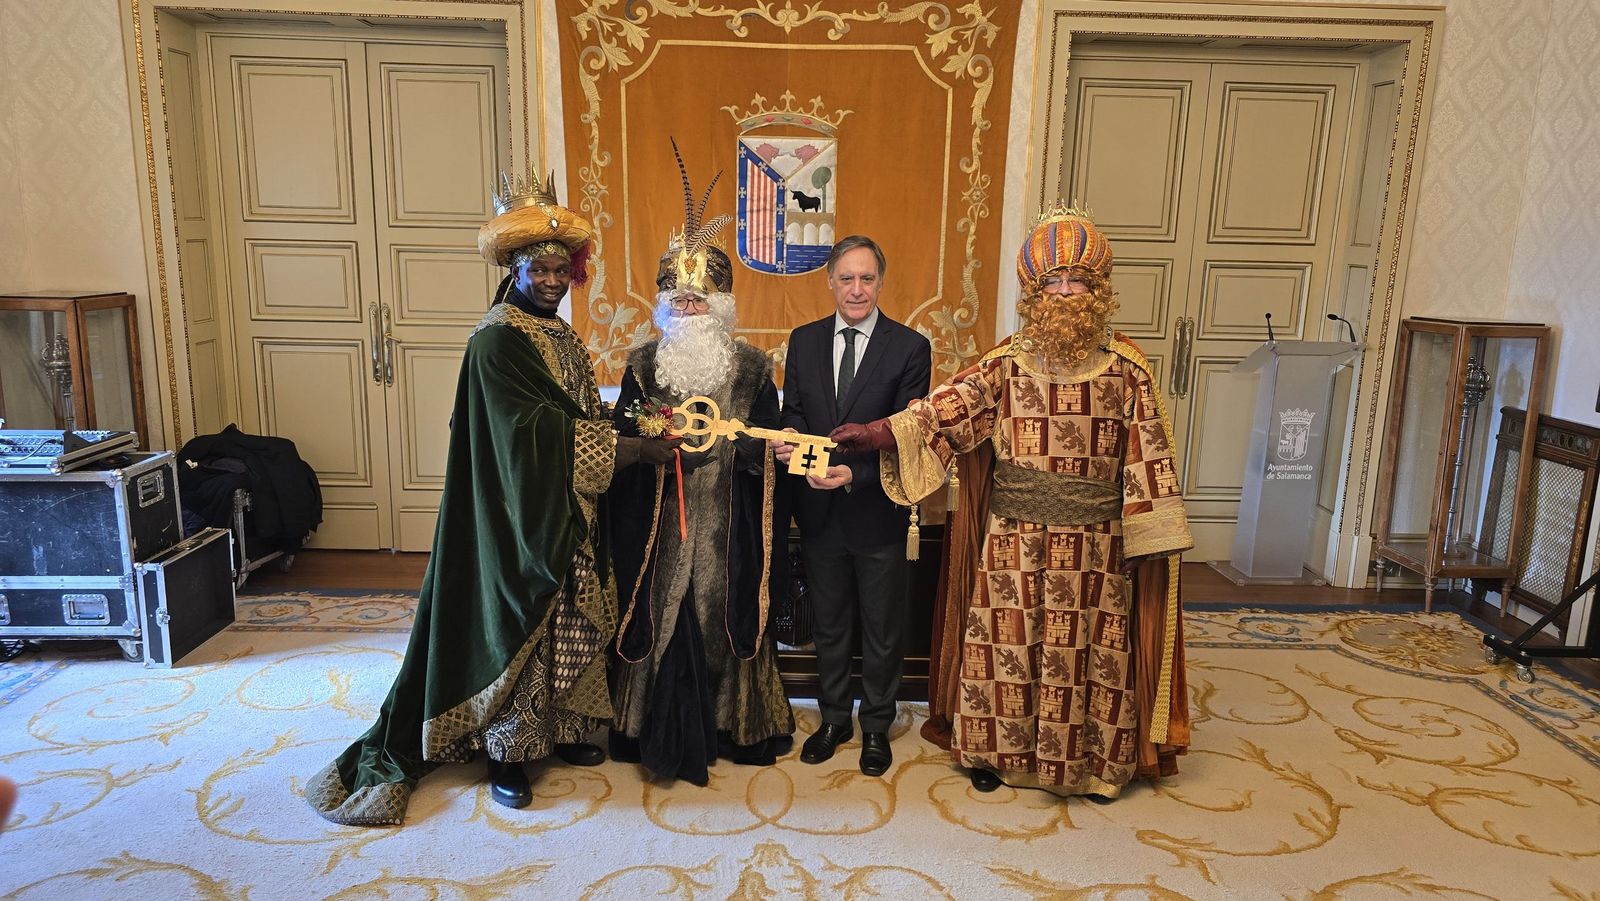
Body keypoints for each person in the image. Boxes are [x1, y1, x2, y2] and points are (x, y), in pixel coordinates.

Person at [305, 171, 678, 825]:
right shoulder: (496, 338)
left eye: (564, 269)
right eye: (543, 268)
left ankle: (557, 731)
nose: (555, 281)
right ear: (515, 265)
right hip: (513, 518)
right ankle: (507, 755)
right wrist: (626, 452)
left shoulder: (557, 334)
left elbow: (574, 408)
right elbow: (526, 435)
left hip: (566, 509)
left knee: (565, 617)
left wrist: (633, 424)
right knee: (520, 627)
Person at [830, 205, 1192, 799]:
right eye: (1054, 282)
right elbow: (943, 408)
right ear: (1035, 290)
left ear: (1098, 288)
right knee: (1009, 646)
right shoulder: (1008, 362)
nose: (1067, 292)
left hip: (1095, 543)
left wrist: (1148, 539)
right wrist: (877, 433)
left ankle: (1089, 765)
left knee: (1085, 654)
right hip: (1014, 537)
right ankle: (1001, 756)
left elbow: (1148, 454)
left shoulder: (1128, 369)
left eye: (1078, 280)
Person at [607, 148, 794, 784]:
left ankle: (726, 721)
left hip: (725, 521)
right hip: (661, 522)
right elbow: (621, 438)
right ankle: (639, 724)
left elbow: (769, 442)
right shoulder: (640, 364)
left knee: (720, 610)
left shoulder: (750, 368)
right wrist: (647, 444)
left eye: (699, 301)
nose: (688, 310)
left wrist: (748, 448)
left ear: (721, 307)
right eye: (679, 300)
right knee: (658, 612)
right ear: (664, 304)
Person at [772, 235, 932, 777]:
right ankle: (835, 718)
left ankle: (876, 727)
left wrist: (853, 474)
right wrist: (792, 446)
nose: (857, 289)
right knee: (832, 624)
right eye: (847, 278)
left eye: (867, 278)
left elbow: (906, 436)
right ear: (830, 282)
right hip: (816, 510)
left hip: (877, 509)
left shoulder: (910, 348)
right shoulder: (804, 340)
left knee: (881, 628)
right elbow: (793, 411)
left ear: (881, 283)